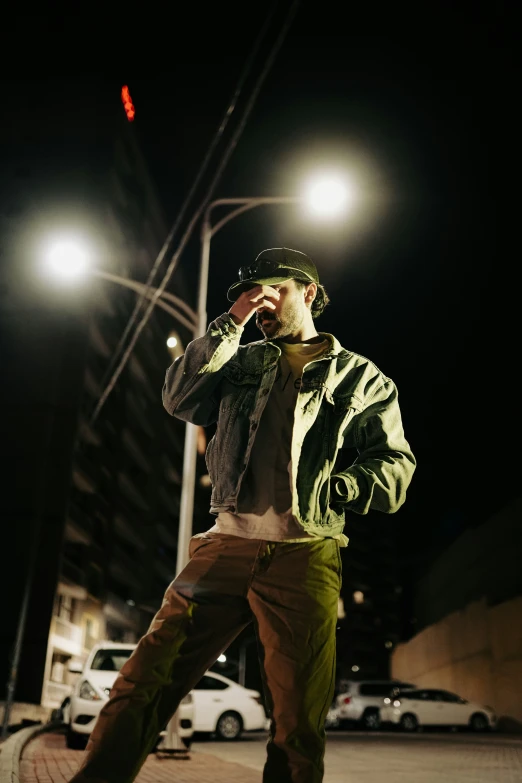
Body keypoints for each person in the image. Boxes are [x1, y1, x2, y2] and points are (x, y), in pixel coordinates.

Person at [69, 247, 416, 783]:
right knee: (144, 681)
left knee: (297, 719)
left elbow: (395, 466)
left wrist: (340, 485)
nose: (263, 300)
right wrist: (231, 322)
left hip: (306, 554)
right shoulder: (241, 359)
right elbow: (179, 397)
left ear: (310, 293)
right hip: (225, 545)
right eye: (252, 292)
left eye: (276, 288)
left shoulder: (362, 378)